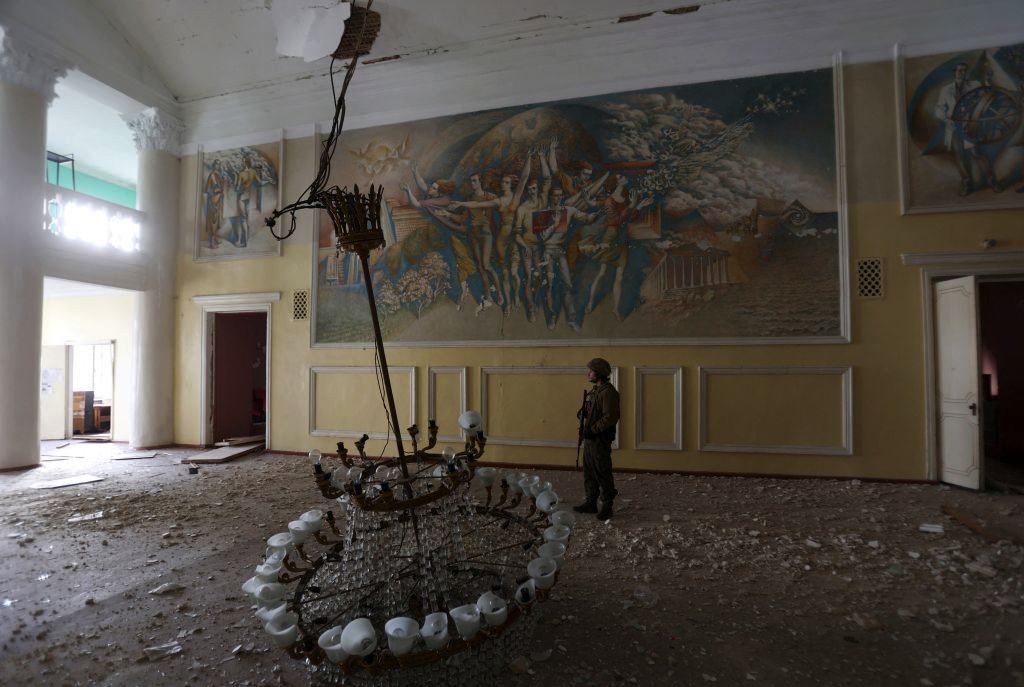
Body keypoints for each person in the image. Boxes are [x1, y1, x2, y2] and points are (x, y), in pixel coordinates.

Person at [574, 358, 620, 520]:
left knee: (602, 471)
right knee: (589, 471)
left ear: (599, 373)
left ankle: (607, 505)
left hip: (599, 439)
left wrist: (593, 430)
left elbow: (610, 417)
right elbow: (592, 411)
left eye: (591, 371)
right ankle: (591, 502)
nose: (588, 374)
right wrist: (583, 413)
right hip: (590, 439)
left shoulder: (608, 392)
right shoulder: (596, 391)